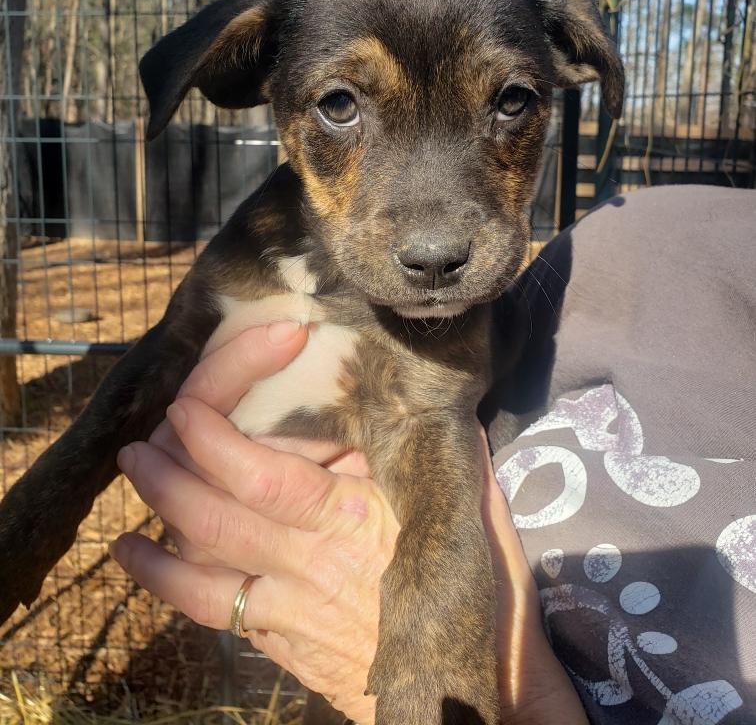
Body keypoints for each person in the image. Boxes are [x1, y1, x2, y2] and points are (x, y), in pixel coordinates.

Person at [109, 186, 756, 724]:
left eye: (509, 106)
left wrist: (525, 700)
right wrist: (251, 495)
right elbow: (422, 400)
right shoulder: (641, 239)